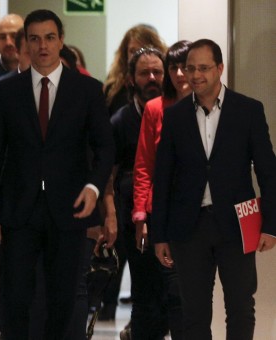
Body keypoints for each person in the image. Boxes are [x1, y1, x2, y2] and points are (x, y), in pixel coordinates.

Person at [0, 9, 115, 339]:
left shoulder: (87, 90)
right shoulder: (7, 93)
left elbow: (106, 148)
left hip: (70, 207)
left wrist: (95, 187)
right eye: (34, 38)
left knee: (64, 300)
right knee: (17, 299)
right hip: (19, 210)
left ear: (61, 40)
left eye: (49, 37)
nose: (42, 46)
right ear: (26, 43)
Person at [152, 38, 276, 340]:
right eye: (190, 68)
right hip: (187, 226)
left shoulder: (248, 111)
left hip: (237, 223)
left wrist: (271, 226)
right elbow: (164, 177)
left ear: (220, 68)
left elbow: (268, 172)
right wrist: (159, 234)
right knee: (193, 312)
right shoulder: (175, 116)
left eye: (204, 68)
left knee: (241, 307)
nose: (195, 75)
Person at [105, 47, 170, 339]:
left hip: (170, 214)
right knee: (144, 291)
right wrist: (111, 217)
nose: (153, 78)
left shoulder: (175, 113)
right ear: (132, 79)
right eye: (145, 73)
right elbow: (109, 173)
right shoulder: (120, 120)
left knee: (170, 291)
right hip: (132, 217)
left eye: (157, 71)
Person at [131, 41, 192, 340]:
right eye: (174, 68)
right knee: (172, 290)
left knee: (195, 292)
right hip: (163, 213)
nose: (180, 74)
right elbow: (144, 165)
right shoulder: (156, 109)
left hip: (203, 211)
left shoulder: (211, 104)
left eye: (187, 67)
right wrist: (140, 214)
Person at [104, 25, 167, 116]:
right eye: (133, 51)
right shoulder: (114, 88)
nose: (138, 55)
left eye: (144, 49)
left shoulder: (168, 84)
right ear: (125, 54)